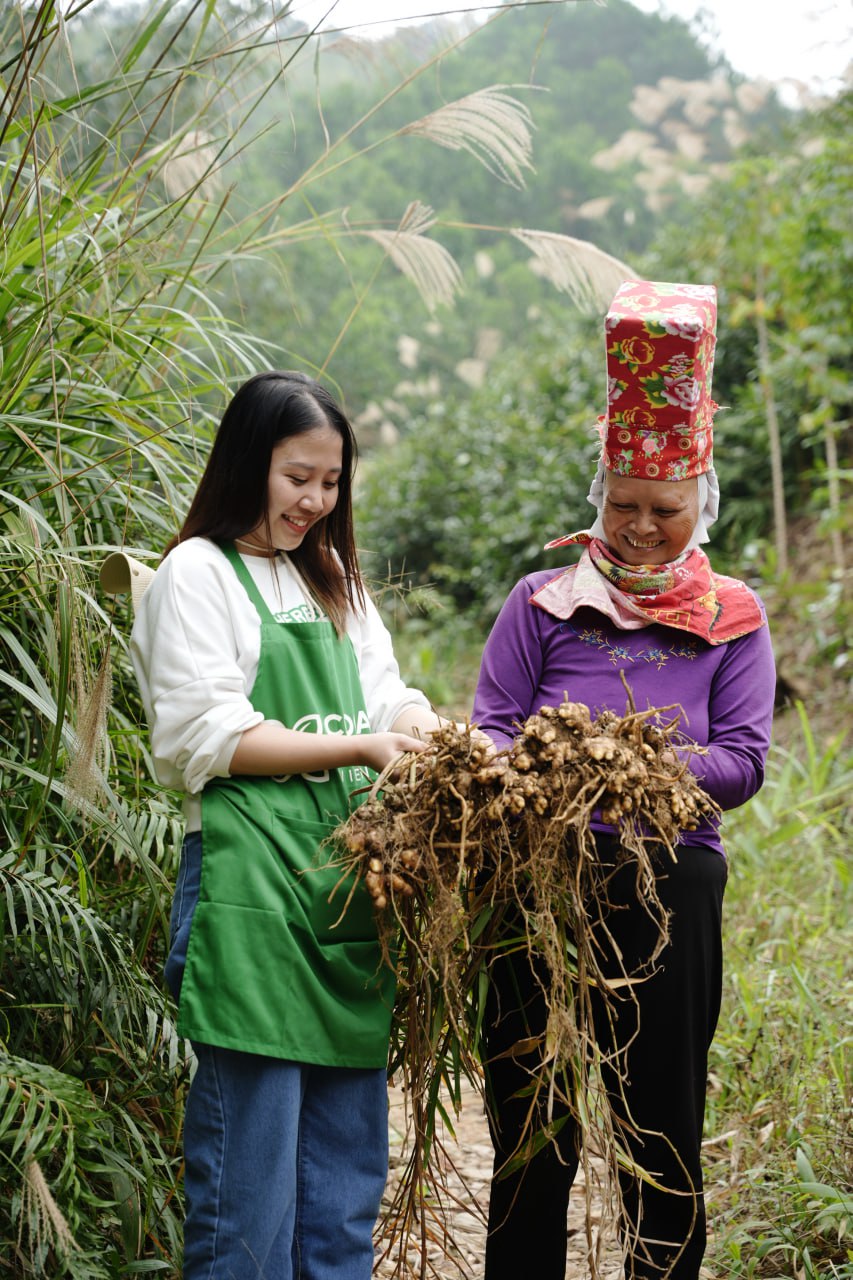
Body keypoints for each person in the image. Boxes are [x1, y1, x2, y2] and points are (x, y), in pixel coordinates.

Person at [471, 280, 776, 1279]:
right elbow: (491, 731)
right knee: (531, 1137)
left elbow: (739, 763)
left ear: (701, 504)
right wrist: (554, 763)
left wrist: (628, 757)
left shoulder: (733, 615)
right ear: (595, 497)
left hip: (668, 890)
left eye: (665, 509)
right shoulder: (541, 602)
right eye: (624, 505)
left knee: (660, 1135)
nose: (642, 527)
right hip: (534, 888)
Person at [131, 370, 445, 1280]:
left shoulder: (333, 577)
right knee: (247, 1207)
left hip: (345, 899)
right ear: (247, 465)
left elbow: (388, 696)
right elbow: (206, 734)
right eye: (295, 477)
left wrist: (441, 744)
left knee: (342, 1196)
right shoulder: (197, 574)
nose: (315, 500)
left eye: (330, 481)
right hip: (250, 900)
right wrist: (358, 750)